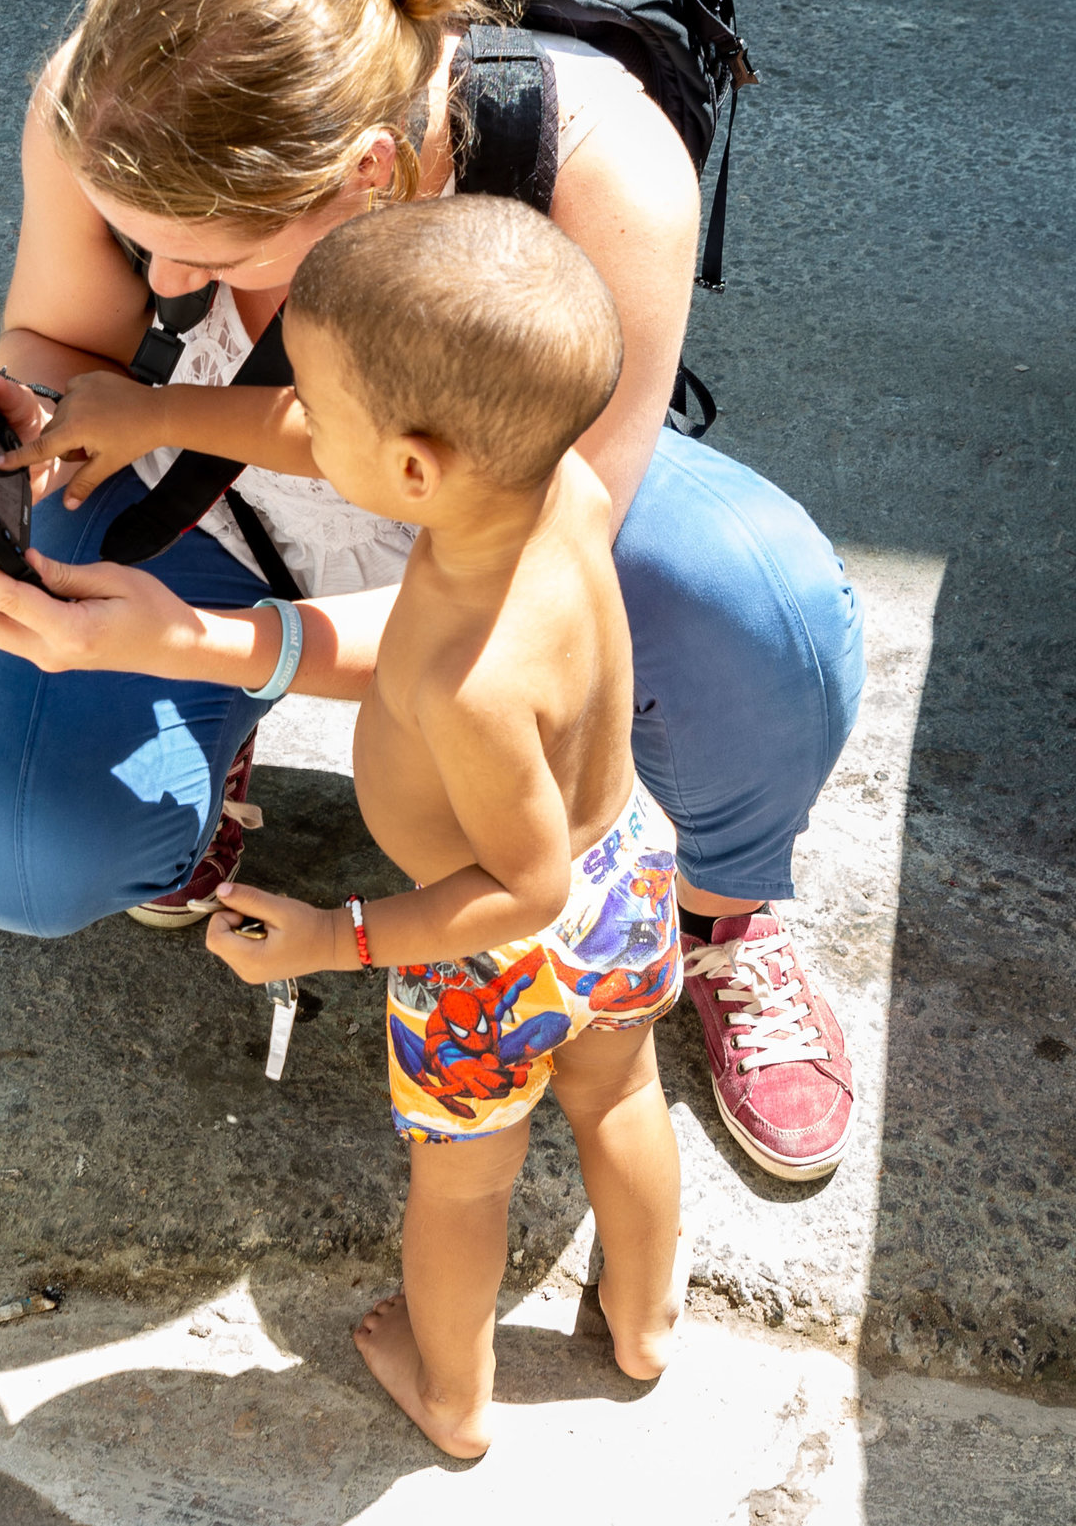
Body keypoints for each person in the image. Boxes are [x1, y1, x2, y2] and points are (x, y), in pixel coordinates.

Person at [0, 0, 865, 1183]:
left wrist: (201, 644)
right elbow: (67, 343)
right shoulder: (111, 101)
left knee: (754, 598)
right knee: (23, 851)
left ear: (365, 174)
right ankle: (186, 777)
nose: (163, 285)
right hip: (204, 473)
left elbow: (525, 587)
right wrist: (30, 426)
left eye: (214, 263)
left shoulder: (602, 160)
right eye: (140, 244)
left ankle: (719, 907)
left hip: (502, 514)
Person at [209, 195, 685, 1456]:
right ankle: (641, 1326)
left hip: (495, 946)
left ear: (416, 468)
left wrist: (335, 936)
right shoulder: (563, 483)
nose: (298, 423)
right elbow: (376, 444)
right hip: (628, 870)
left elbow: (517, 890)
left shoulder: (467, 680)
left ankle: (453, 1396)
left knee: (465, 1181)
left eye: (313, 400)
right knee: (621, 1093)